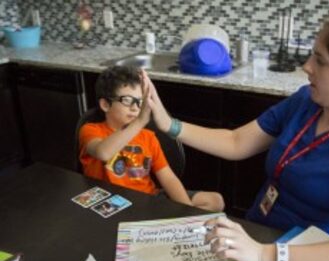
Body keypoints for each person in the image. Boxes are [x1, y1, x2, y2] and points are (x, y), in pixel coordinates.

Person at [144, 11, 329, 261]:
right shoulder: (305, 102)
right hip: (259, 236)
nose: (307, 66)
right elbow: (236, 142)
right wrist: (169, 125)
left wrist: (264, 256)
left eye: (320, 60)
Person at [79, 66, 224, 212]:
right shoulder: (91, 130)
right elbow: (103, 153)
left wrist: (187, 211)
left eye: (140, 101)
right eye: (127, 100)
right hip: (111, 203)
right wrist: (140, 121)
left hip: (148, 199)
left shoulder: (149, 137)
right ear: (105, 104)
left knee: (215, 200)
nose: (136, 108)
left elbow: (168, 179)